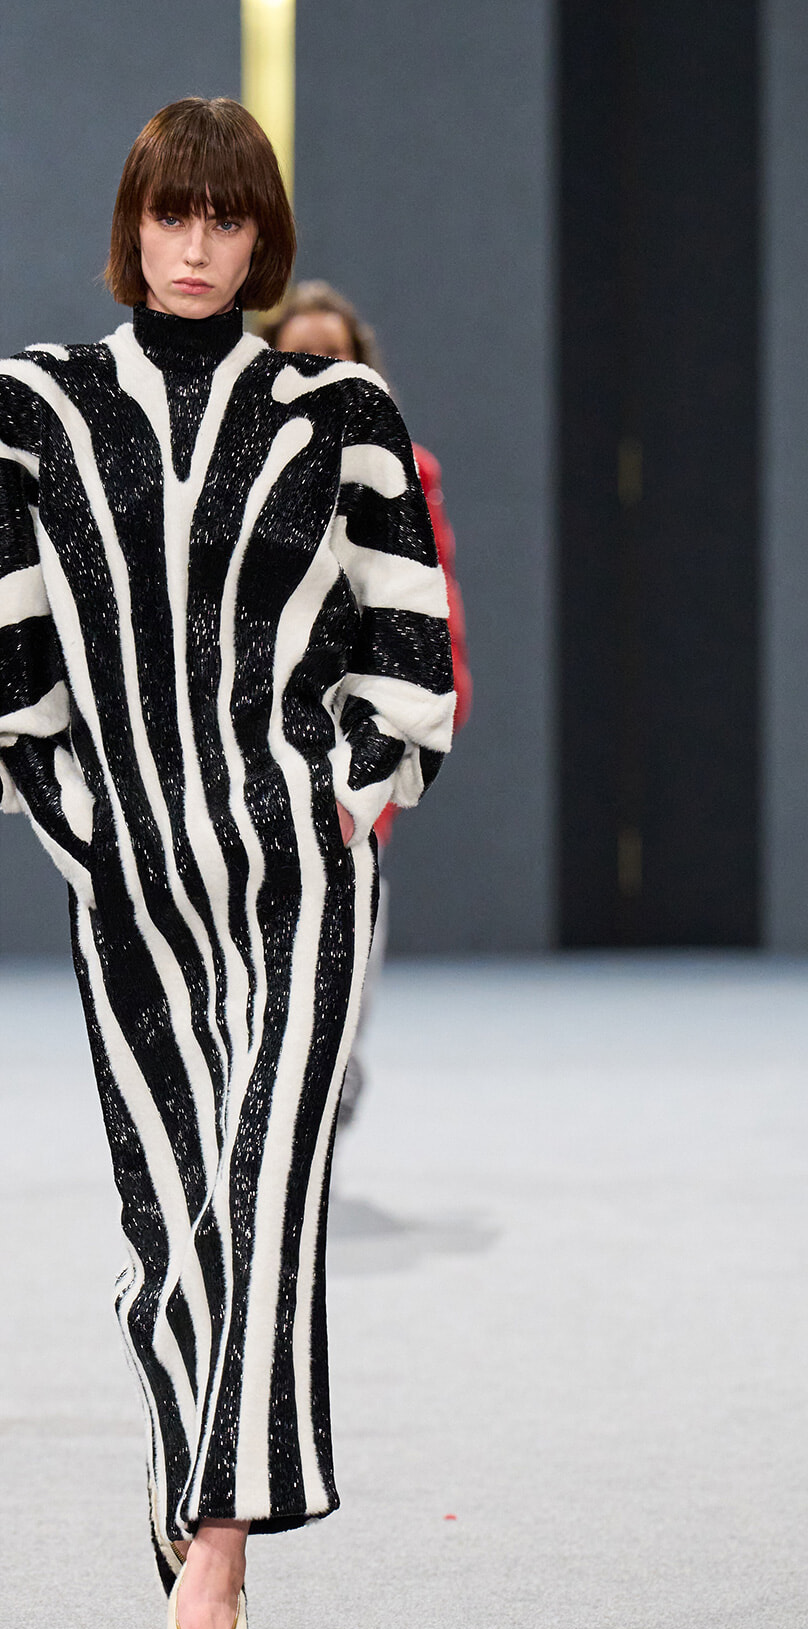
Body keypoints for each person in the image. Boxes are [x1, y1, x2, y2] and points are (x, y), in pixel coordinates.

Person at [0, 97, 456, 1629]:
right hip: (133, 890)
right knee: (170, 1231)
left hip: (301, 877)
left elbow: (411, 646)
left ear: (263, 238)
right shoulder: (29, 413)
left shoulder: (342, 411)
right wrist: (87, 834)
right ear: (133, 223)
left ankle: (215, 1550)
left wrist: (360, 791)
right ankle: (193, 1457)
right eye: (171, 215)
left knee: (263, 1198)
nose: (194, 247)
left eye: (225, 220)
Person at [262, 283, 472, 1133]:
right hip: (249, 726)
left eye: (334, 354)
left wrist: (423, 714)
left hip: (356, 725)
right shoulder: (221, 472)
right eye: (298, 353)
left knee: (348, 901)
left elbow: (431, 604)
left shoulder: (406, 473)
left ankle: (334, 1054)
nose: (317, 369)